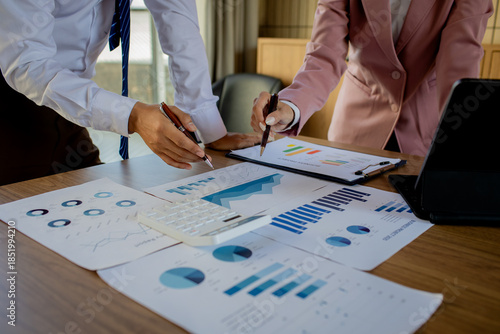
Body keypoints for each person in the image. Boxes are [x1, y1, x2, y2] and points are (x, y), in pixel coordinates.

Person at [0, 0, 259, 186]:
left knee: (99, 202)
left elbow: (179, 25)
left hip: (67, 106)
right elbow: (25, 63)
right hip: (11, 104)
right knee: (16, 240)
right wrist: (133, 116)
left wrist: (210, 130)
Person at [251, 0, 493, 157]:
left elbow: (458, 61)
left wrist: (465, 135)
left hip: (427, 128)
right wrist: (292, 106)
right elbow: (324, 55)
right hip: (355, 129)